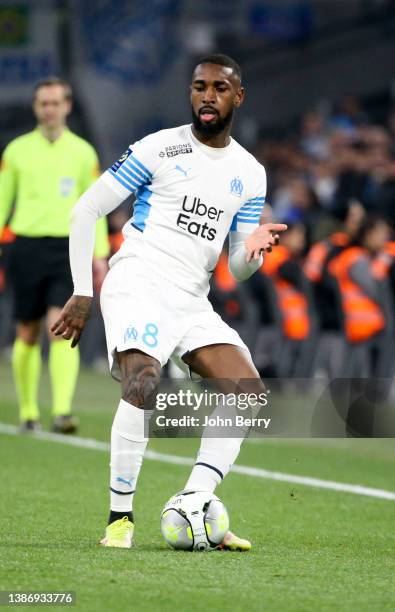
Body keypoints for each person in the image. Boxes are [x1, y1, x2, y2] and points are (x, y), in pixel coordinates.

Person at [52, 54, 287, 550]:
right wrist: (81, 290)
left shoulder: (250, 172)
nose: (207, 96)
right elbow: (86, 210)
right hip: (139, 279)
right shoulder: (159, 147)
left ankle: (196, 500)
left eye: (219, 88)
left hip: (191, 297)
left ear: (237, 97)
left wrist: (254, 252)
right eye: (199, 86)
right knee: (143, 383)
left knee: (247, 393)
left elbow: (238, 269)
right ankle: (120, 519)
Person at [0, 77, 110, 433]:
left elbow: (97, 206)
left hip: (67, 248)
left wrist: (100, 253)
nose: (49, 109)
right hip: (25, 245)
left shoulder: (83, 153)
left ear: (67, 106)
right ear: (36, 108)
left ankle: (62, 411)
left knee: (61, 328)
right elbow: (3, 199)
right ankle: (29, 412)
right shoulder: (16, 151)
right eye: (43, 103)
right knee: (28, 331)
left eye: (55, 102)